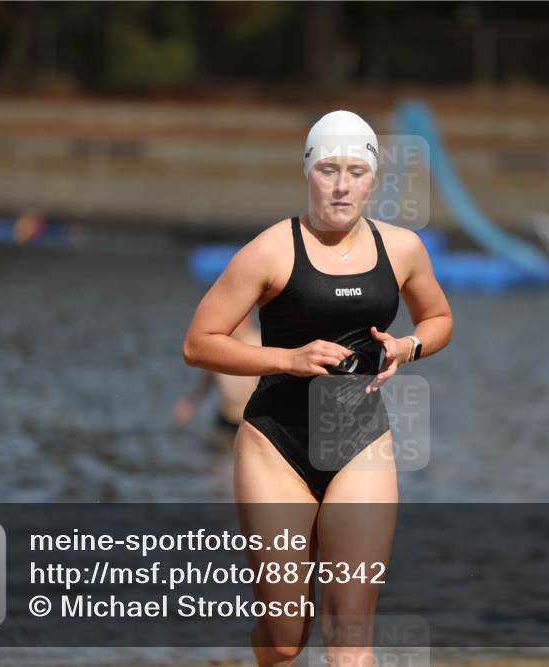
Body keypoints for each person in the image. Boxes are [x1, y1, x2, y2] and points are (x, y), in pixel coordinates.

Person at [182, 110, 453, 667]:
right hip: (276, 446)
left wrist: (407, 347)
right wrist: (288, 358)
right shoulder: (270, 251)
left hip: (362, 444)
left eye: (356, 170)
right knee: (285, 637)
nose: (342, 184)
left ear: (373, 178)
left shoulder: (402, 249)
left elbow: (440, 320)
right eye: (329, 169)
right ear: (308, 172)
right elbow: (199, 343)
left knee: (351, 636)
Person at [173, 311, 261, 440]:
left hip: (252, 421)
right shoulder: (220, 345)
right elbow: (207, 378)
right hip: (226, 417)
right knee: (219, 455)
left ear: (247, 319)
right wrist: (190, 403)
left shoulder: (260, 344)